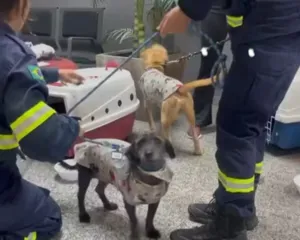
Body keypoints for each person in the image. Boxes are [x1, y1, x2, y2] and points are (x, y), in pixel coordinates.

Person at [159, 0, 300, 240]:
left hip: (268, 40)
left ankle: (229, 224)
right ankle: (243, 210)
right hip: (278, 37)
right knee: (251, 125)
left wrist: (188, 9)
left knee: (238, 127)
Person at [0, 0, 85, 239]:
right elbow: (41, 141)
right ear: (21, 6)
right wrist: (73, 127)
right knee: (49, 216)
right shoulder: (14, 54)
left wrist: (54, 73)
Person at [187, 1, 227, 138]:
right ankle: (197, 119)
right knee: (209, 63)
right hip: (216, 5)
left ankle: (238, 121)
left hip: (252, 6)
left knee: (247, 62)